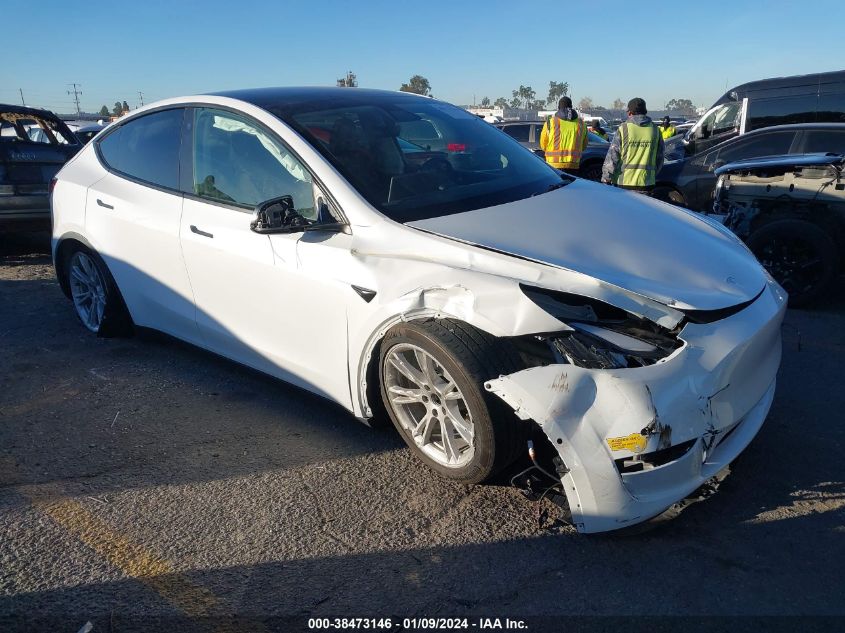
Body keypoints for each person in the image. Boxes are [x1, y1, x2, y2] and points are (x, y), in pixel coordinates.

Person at [600, 97, 664, 195]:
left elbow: (612, 157)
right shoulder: (656, 130)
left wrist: (606, 179)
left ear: (630, 113)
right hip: (647, 184)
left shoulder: (623, 129)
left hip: (624, 183)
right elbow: (660, 159)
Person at [539, 97, 588, 172]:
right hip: (573, 165)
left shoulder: (550, 123)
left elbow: (543, 145)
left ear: (558, 108)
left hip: (553, 165)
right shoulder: (582, 124)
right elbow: (584, 146)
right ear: (571, 107)